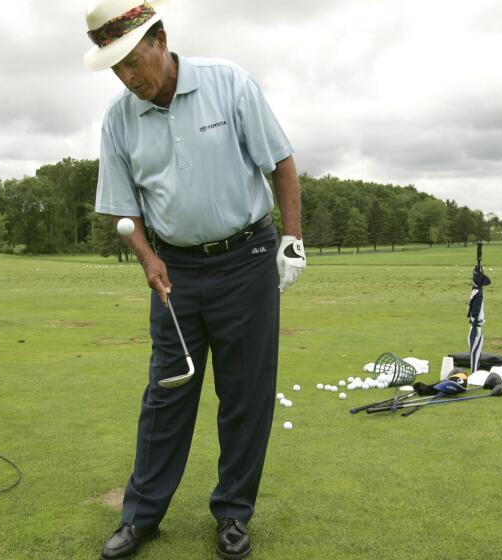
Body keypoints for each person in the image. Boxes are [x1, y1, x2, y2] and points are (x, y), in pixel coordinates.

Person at [84, 1, 306, 558]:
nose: (128, 78)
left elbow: (280, 162)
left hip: (247, 259)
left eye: (134, 62)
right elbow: (120, 209)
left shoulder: (228, 83)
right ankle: (140, 518)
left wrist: (291, 239)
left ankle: (233, 514)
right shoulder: (118, 118)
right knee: (167, 392)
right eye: (116, 68)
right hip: (174, 271)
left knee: (244, 396)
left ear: (160, 39)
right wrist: (146, 257)